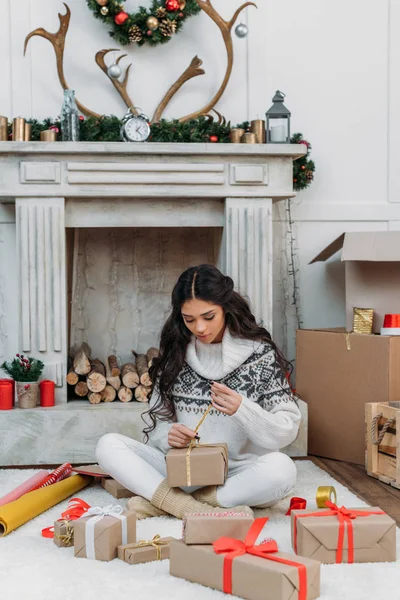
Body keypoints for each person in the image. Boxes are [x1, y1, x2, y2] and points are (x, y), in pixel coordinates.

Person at [96, 264, 301, 519]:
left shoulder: (259, 356)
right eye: (189, 319)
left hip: (237, 473)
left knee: (282, 470)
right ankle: (192, 507)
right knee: (108, 446)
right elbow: (158, 425)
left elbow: (287, 430)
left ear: (225, 308)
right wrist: (168, 435)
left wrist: (243, 410)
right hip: (184, 470)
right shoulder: (175, 355)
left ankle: (171, 502)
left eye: (209, 317)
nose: (200, 328)